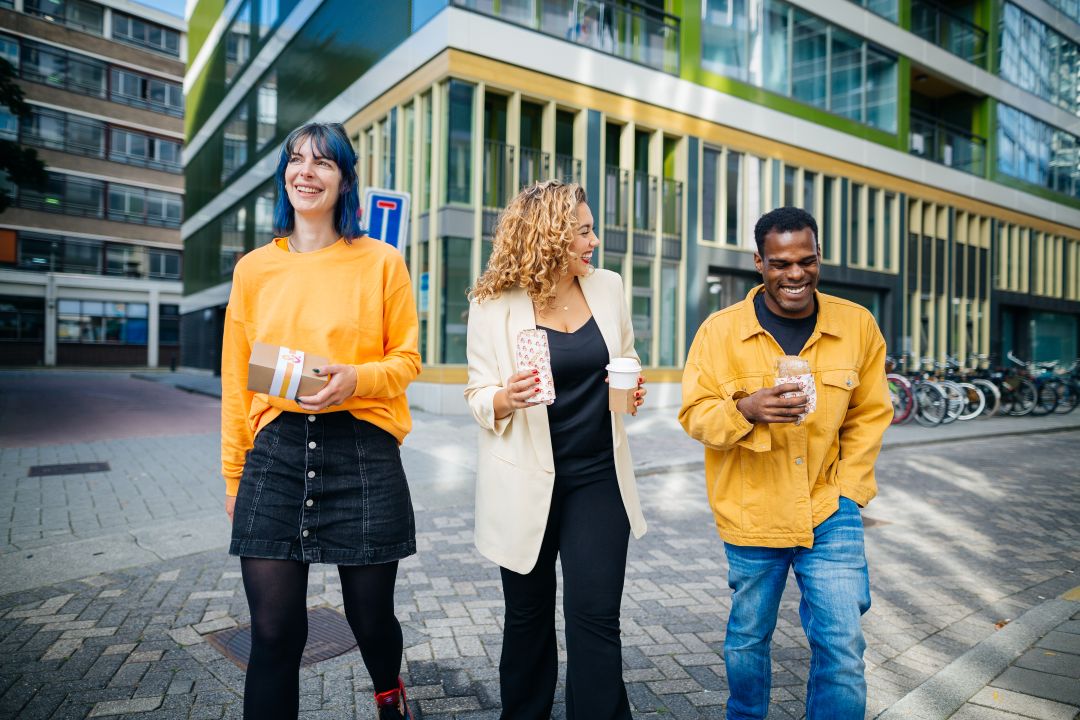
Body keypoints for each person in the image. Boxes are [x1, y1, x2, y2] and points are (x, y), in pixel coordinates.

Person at [220, 122, 421, 720]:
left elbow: (407, 360)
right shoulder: (254, 270)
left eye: (323, 163)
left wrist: (354, 379)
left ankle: (390, 693)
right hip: (276, 454)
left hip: (363, 452)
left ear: (344, 180)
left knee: (370, 618)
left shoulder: (381, 261)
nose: (306, 172)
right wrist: (234, 477)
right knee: (276, 633)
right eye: (296, 160)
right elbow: (237, 379)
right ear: (285, 176)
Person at [678, 206, 892, 720]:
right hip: (752, 511)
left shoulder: (857, 324)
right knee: (748, 640)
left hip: (830, 508)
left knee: (842, 646)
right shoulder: (719, 332)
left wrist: (849, 491)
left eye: (805, 260)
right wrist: (745, 410)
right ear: (759, 263)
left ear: (818, 257)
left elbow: (870, 414)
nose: (794, 274)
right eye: (780, 263)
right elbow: (694, 415)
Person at [464, 180, 648, 719]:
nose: (594, 240)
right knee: (527, 616)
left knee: (595, 616)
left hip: (598, 478)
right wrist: (503, 397)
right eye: (583, 231)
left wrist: (632, 388)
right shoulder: (494, 304)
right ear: (549, 236)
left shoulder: (608, 287)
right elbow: (477, 393)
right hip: (524, 482)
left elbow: (627, 354)